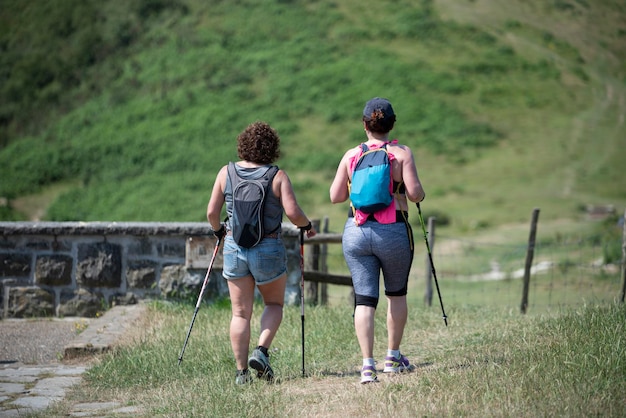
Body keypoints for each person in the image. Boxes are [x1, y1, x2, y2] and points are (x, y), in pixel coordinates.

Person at [207, 121, 317, 385]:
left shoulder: (226, 172)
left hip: (234, 246)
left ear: (243, 144)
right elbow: (292, 213)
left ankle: (241, 373)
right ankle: (262, 351)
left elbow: (212, 213)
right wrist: (307, 226)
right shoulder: (277, 176)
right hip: (267, 247)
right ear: (272, 148)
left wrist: (218, 230)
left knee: (240, 313)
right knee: (274, 304)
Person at [329, 97, 426, 384]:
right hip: (393, 230)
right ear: (392, 123)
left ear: (365, 124)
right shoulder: (402, 153)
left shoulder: (351, 155)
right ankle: (392, 358)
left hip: (356, 232)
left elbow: (335, 197)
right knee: (396, 294)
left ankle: (367, 366)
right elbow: (416, 194)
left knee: (364, 299)